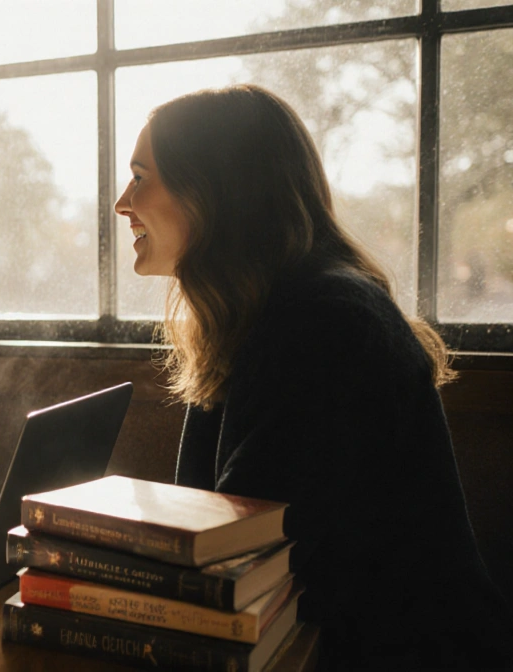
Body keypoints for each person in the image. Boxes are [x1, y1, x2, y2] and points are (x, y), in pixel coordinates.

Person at [115, 85, 513, 669]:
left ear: (217, 192)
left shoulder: (325, 323)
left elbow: (244, 563)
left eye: (142, 177)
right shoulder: (263, 315)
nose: (124, 202)